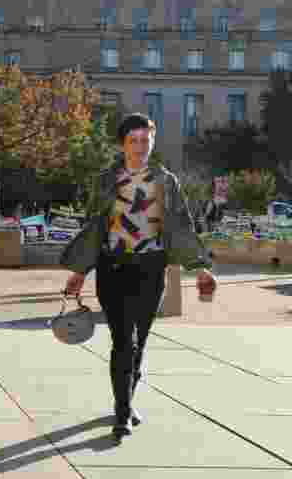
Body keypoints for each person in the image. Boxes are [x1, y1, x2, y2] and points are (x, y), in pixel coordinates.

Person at [61, 113, 217, 440]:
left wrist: (200, 269)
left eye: (146, 139)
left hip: (151, 268)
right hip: (113, 267)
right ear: (122, 144)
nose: (140, 146)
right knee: (123, 341)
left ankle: (126, 403)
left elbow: (179, 227)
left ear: (153, 142)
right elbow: (93, 228)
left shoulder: (165, 181)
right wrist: (79, 272)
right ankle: (121, 414)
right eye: (134, 140)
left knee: (140, 342)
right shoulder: (106, 180)